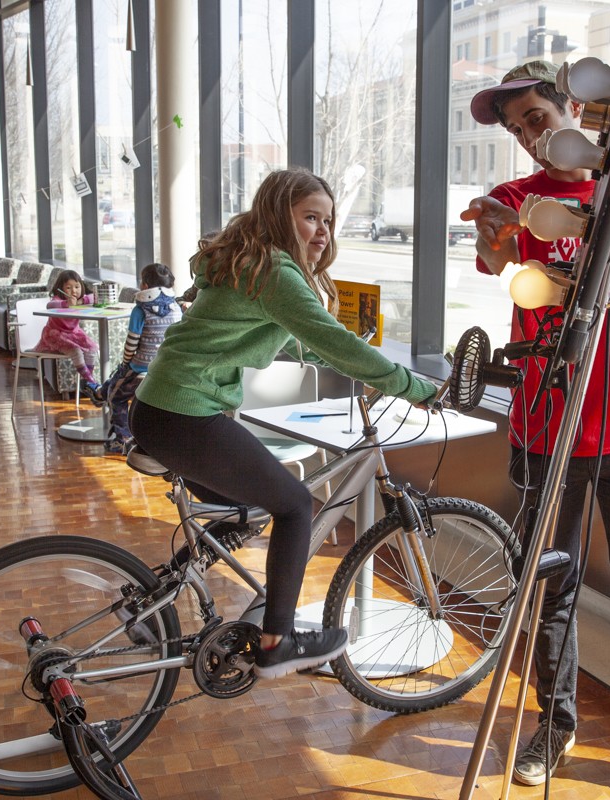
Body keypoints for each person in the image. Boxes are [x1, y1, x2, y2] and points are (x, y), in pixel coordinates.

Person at [461, 61, 610, 799]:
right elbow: (500, 268)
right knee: (549, 595)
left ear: (577, 104)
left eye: (537, 116)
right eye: (519, 128)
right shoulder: (515, 201)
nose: (531, 136)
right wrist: (500, 239)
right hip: (545, 430)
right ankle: (555, 725)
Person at [129, 167, 437, 679]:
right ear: (278, 214)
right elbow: (333, 341)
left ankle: (152, 602)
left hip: (163, 409)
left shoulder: (248, 261)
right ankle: (277, 642)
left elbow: (286, 337)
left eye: (329, 222)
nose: (323, 232)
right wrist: (416, 386)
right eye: (310, 217)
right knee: (295, 504)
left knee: (250, 507)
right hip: (184, 413)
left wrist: (344, 359)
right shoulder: (274, 270)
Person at [91, 262, 183, 455]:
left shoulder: (140, 310)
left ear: (145, 286)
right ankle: (99, 393)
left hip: (140, 367)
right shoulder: (176, 308)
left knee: (116, 397)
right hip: (165, 368)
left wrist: (126, 363)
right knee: (118, 381)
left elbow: (131, 343)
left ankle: (122, 439)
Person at [34, 269, 100, 397]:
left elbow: (94, 297)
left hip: (74, 334)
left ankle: (87, 381)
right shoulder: (58, 299)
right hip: (56, 334)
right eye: (68, 288)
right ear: (61, 289)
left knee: (92, 348)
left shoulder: (81, 299)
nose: (74, 291)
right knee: (76, 351)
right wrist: (66, 304)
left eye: (77, 286)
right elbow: (50, 305)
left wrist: (80, 302)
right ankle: (90, 381)